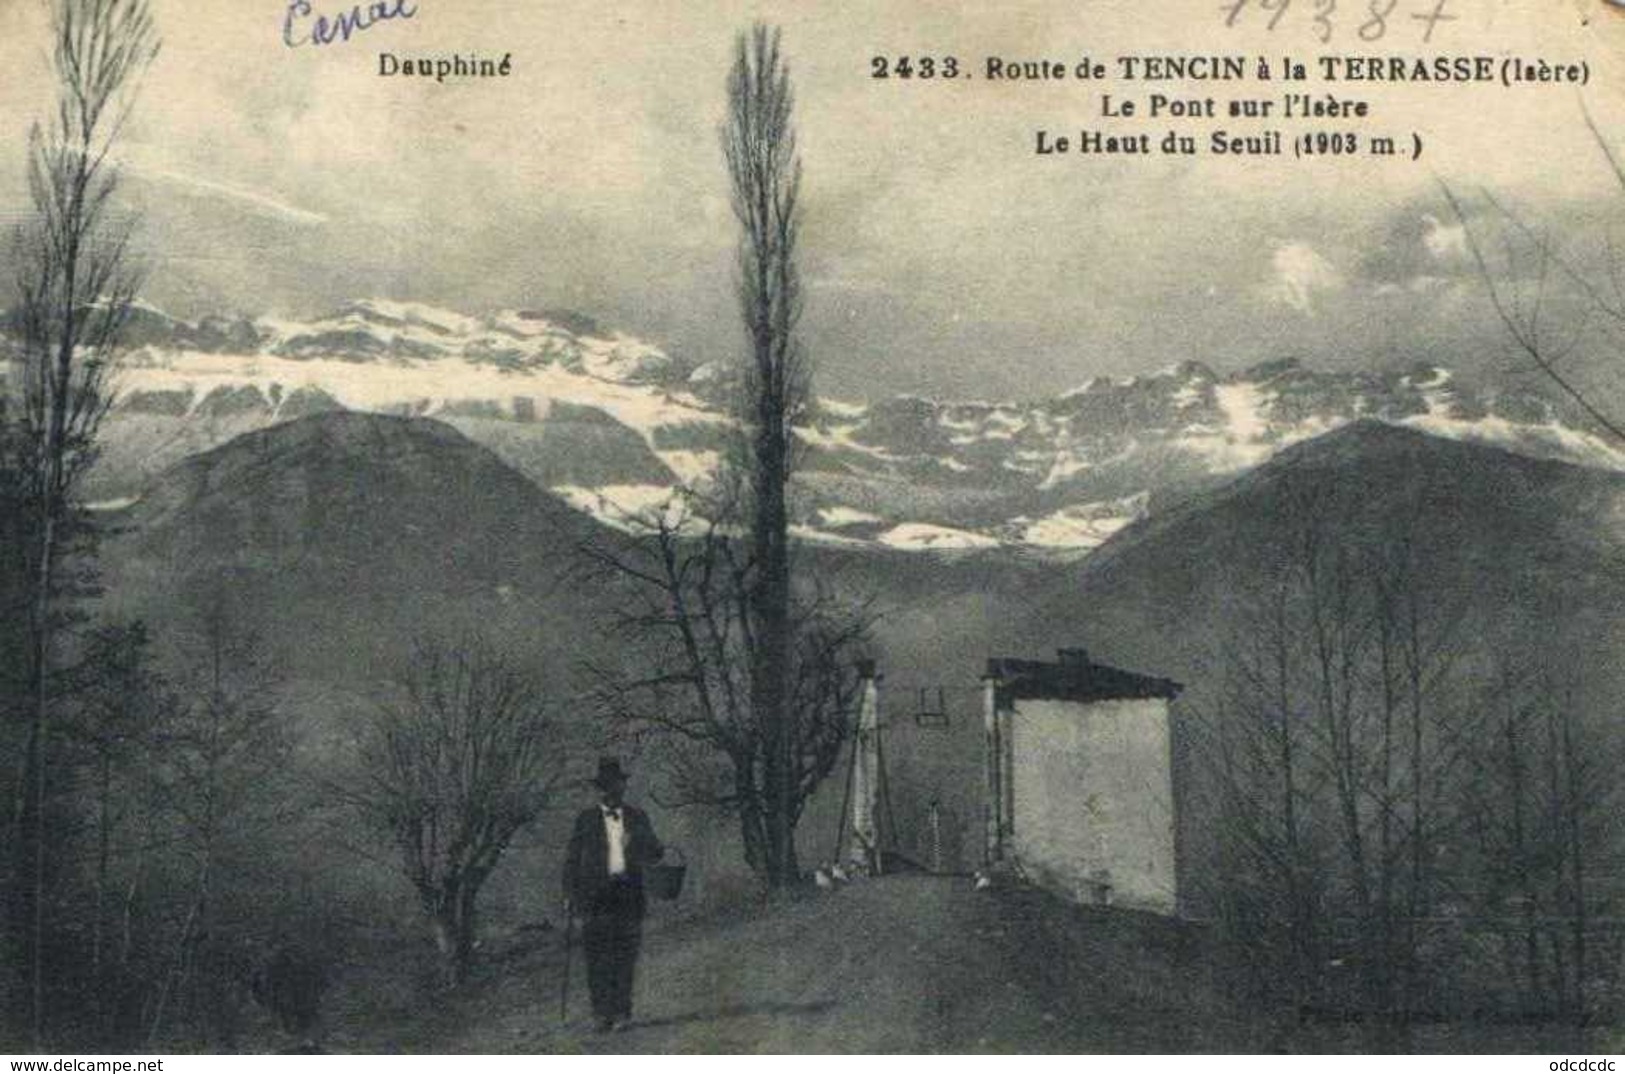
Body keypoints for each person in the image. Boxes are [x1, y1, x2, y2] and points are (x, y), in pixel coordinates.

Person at [562, 756, 664, 1032]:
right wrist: (569, 893)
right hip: (594, 898)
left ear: (622, 786)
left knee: (624, 956)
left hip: (627, 897)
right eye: (604, 786)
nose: (609, 791)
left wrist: (639, 840)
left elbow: (657, 853)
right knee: (596, 957)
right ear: (599, 790)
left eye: (613, 785)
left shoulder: (637, 817)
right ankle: (600, 1014)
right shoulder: (585, 820)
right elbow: (571, 859)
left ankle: (621, 1013)